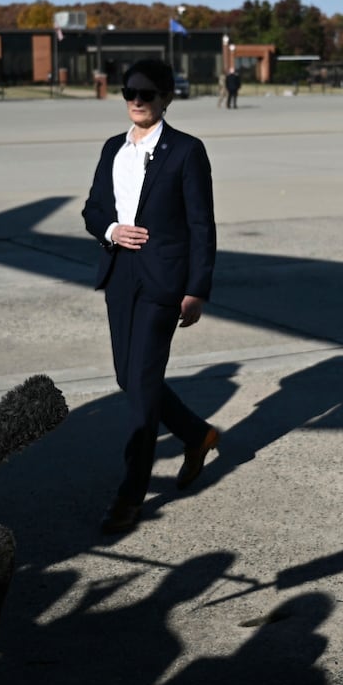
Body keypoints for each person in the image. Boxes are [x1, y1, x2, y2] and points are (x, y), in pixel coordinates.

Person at [81, 58, 219, 535]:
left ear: (166, 97)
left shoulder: (186, 151)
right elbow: (92, 207)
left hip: (164, 281)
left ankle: (130, 494)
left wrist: (197, 288)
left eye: (146, 93)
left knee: (140, 383)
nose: (136, 100)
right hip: (119, 273)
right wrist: (111, 229)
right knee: (128, 377)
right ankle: (198, 434)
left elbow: (202, 224)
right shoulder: (111, 150)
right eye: (128, 92)